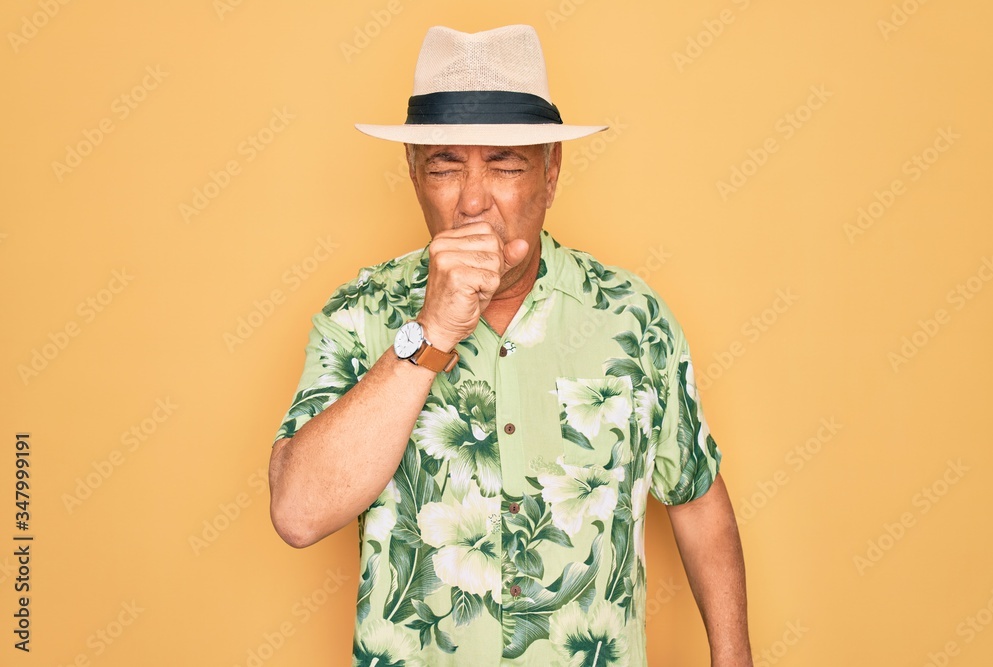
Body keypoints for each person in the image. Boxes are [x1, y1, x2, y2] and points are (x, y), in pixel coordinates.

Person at [268, 24, 752, 667]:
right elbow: (298, 513)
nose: (473, 200)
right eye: (445, 166)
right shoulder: (359, 315)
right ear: (412, 174)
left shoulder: (634, 318)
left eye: (505, 166)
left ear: (550, 175)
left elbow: (696, 498)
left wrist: (734, 656)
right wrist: (432, 333)